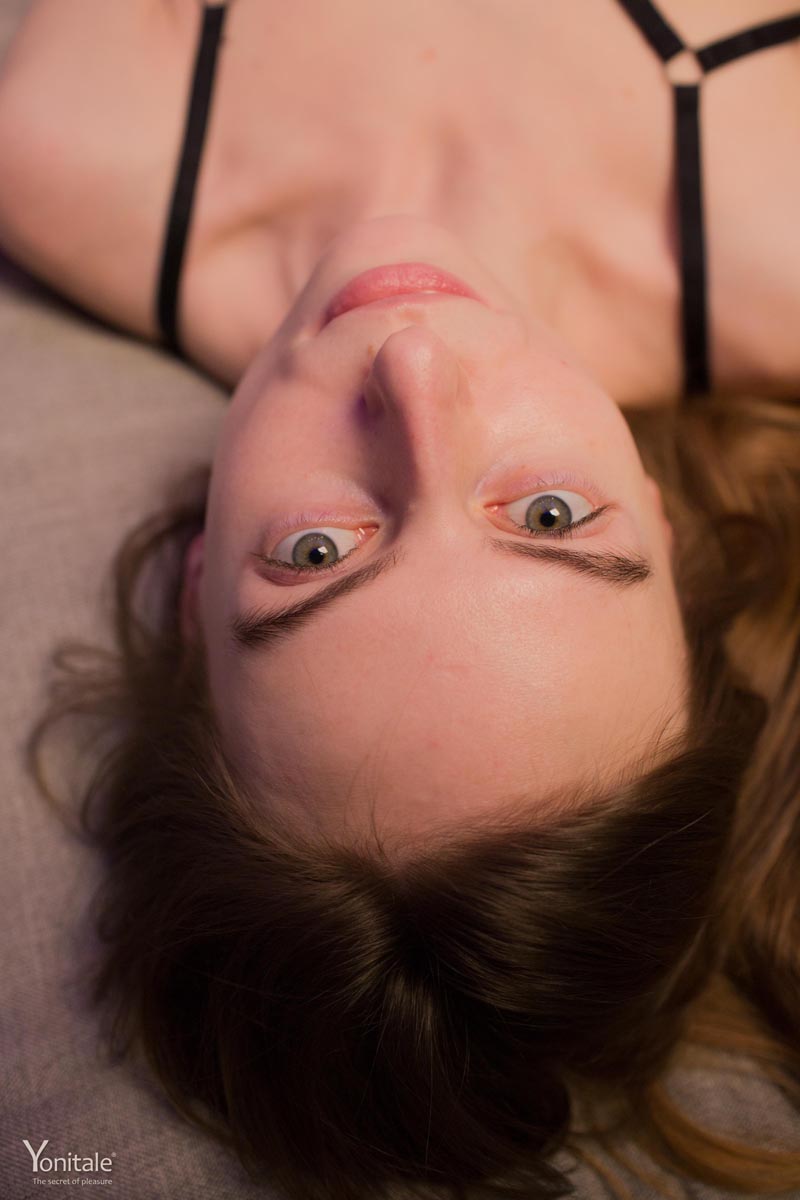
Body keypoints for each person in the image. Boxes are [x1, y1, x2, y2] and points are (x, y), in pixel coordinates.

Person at [3, 2, 800, 1198]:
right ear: (660, 522)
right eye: (549, 517)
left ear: (197, 584)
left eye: (316, 549)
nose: (412, 367)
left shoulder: (73, 141)